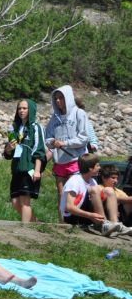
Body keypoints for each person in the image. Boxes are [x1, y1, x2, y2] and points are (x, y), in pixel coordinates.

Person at [45, 85, 89, 220]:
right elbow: (47, 137)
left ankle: (74, 222)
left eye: (61, 98)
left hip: (75, 159)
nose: (58, 101)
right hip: (59, 161)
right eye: (56, 99)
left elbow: (84, 138)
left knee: (72, 193)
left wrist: (65, 143)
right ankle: (61, 224)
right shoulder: (54, 118)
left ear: (68, 98)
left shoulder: (79, 114)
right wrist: (52, 142)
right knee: (61, 194)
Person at [60, 153, 131, 236]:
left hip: (86, 215)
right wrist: (90, 215)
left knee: (109, 190)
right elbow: (69, 207)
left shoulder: (92, 181)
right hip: (72, 217)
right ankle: (105, 224)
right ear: (90, 168)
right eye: (97, 166)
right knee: (94, 189)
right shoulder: (75, 181)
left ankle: (115, 224)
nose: (99, 168)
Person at [3, 99, 46, 223]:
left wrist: (37, 170)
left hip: (29, 168)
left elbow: (39, 150)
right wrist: (9, 149)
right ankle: (36, 222)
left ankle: (25, 231)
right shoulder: (15, 128)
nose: (21, 111)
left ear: (31, 110)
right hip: (17, 168)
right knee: (15, 202)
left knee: (24, 200)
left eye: (24, 108)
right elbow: (8, 154)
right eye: (19, 108)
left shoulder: (36, 128)